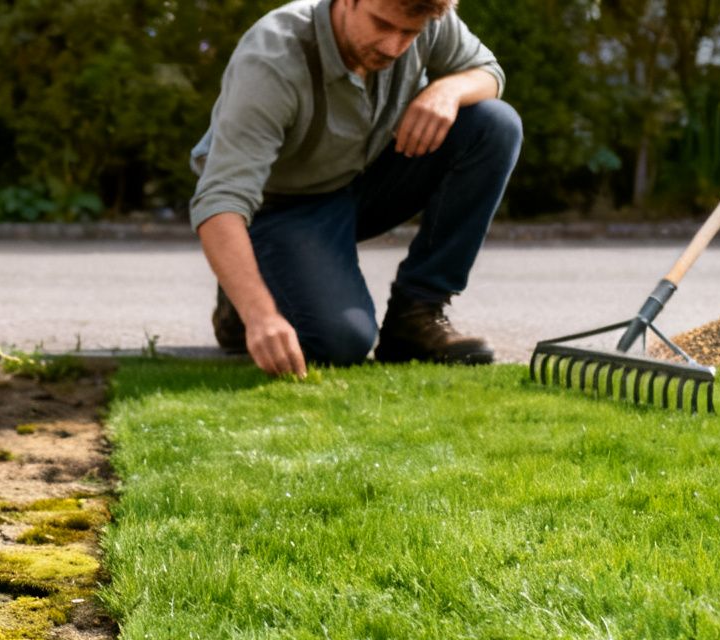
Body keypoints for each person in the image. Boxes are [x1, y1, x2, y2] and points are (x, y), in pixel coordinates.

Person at [191, 0, 521, 375]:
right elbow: (220, 200)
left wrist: (447, 90)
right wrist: (260, 315)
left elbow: (488, 73)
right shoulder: (273, 57)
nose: (393, 47)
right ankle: (245, 296)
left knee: (494, 124)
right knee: (340, 342)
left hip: (360, 180)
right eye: (381, 24)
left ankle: (415, 315)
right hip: (280, 208)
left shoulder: (427, 19)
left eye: (408, 34)